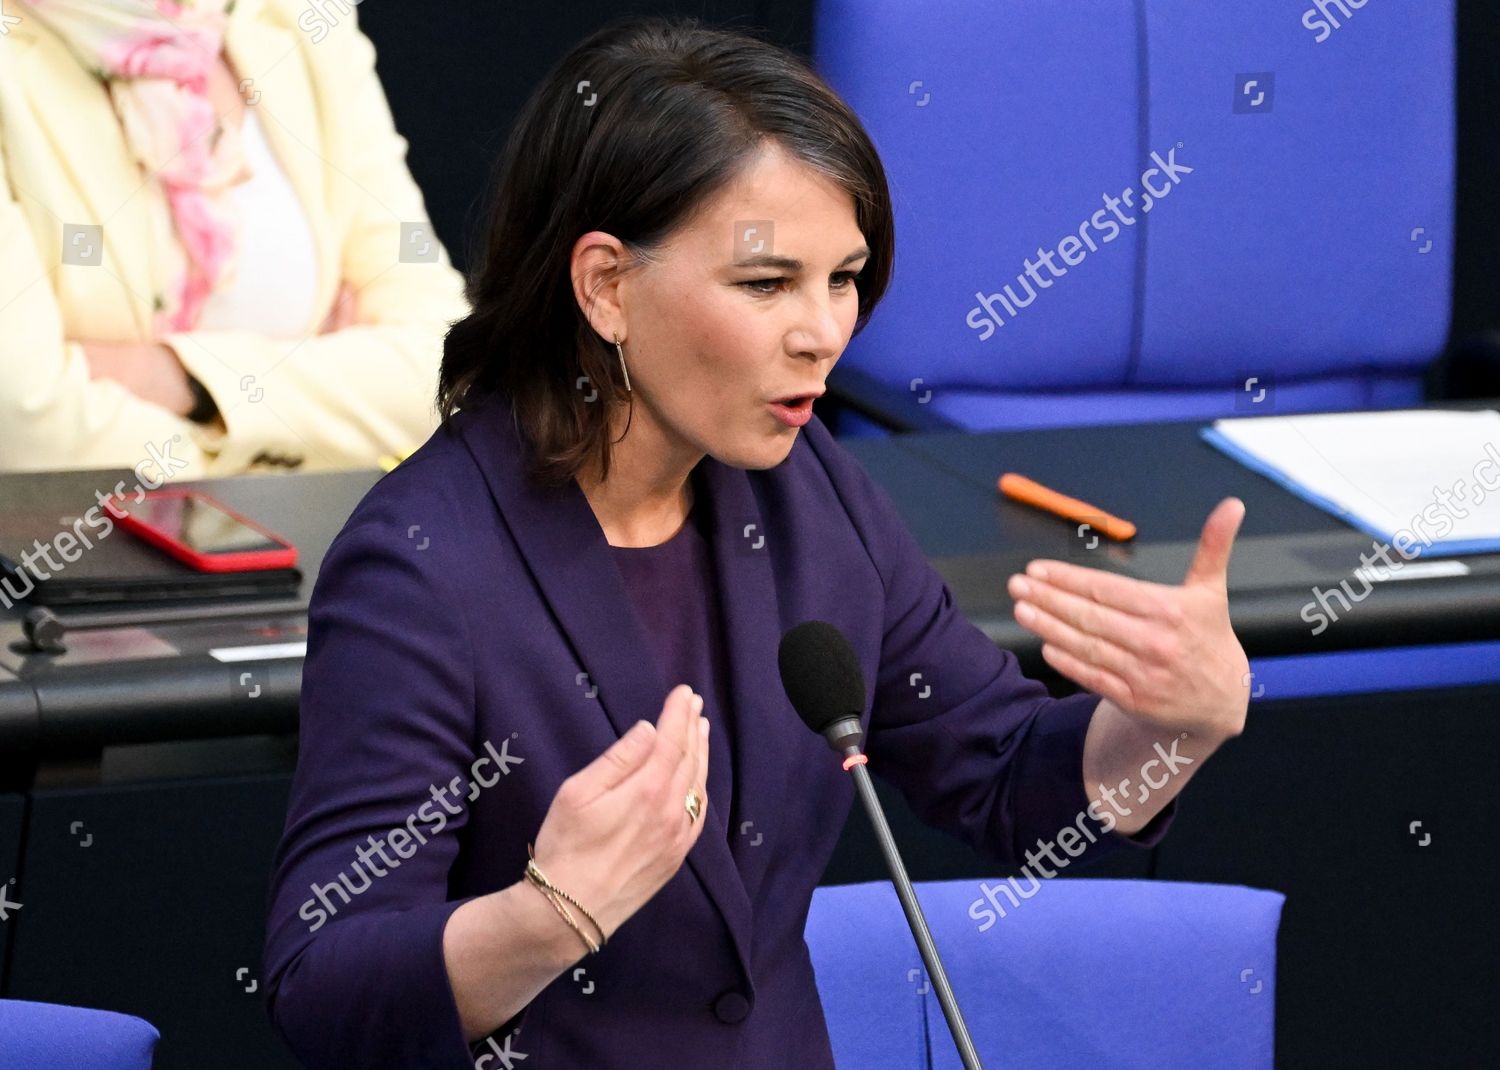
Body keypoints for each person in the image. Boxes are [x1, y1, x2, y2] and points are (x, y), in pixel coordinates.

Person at [261, 16, 1252, 1069]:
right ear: (604, 285)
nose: (824, 330)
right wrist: (550, 915)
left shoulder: (806, 486)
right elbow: (323, 983)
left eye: (845, 277)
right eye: (768, 283)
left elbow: (1006, 779)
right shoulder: (423, 562)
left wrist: (1167, 728)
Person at [0, 0, 467, 476]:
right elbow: (22, 429)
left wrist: (184, 380)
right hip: (82, 546)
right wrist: (320, 422)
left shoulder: (300, 22)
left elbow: (453, 370)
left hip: (308, 546)